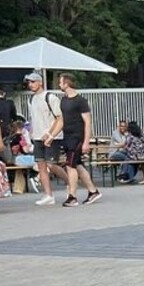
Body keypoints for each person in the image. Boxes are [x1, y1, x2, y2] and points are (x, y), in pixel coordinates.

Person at [45, 73, 102, 207]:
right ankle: (93, 191)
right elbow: (62, 121)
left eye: (60, 82)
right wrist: (51, 136)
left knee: (70, 166)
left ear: (67, 83)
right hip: (67, 136)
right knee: (77, 165)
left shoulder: (80, 101)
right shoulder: (64, 100)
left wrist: (86, 141)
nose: (59, 84)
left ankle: (72, 196)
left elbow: (88, 122)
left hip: (77, 137)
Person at [23, 72, 68, 205]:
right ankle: (48, 194)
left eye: (33, 82)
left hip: (52, 136)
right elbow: (33, 117)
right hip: (37, 136)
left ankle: (70, 182)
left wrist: (50, 133)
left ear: (40, 82)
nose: (30, 84)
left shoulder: (50, 97)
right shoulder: (31, 99)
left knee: (51, 164)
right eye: (29, 82)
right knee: (41, 165)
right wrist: (31, 132)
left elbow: (59, 117)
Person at [0, 87, 17, 165]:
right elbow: (14, 117)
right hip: (8, 130)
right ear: (4, 94)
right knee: (7, 154)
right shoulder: (10, 103)